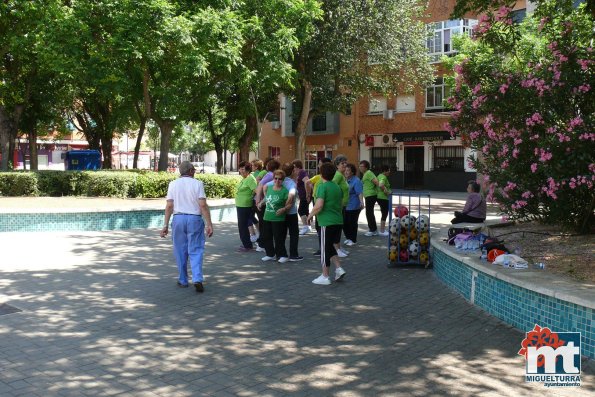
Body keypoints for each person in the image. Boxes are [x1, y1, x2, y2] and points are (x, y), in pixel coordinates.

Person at [160, 161, 213, 293]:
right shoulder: (198, 184)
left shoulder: (173, 184)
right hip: (194, 219)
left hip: (178, 219)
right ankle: (197, 278)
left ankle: (183, 280)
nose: (195, 172)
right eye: (193, 170)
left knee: (180, 250)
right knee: (196, 249)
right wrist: (209, 224)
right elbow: (202, 205)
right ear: (190, 171)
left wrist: (165, 225)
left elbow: (169, 206)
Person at [307, 162, 346, 285]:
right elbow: (340, 205)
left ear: (321, 173)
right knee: (329, 246)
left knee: (324, 250)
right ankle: (339, 268)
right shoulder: (337, 187)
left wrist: (310, 215)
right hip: (338, 221)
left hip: (326, 222)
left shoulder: (322, 187)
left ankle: (325, 276)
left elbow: (319, 206)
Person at [264, 162, 302, 261]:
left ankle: (280, 254)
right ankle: (292, 255)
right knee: (293, 234)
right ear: (293, 171)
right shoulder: (290, 182)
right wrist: (287, 205)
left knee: (281, 235)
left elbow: (263, 186)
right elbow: (292, 193)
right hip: (290, 212)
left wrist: (262, 198)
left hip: (280, 213)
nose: (277, 180)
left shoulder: (276, 180)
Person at [258, 169, 291, 262]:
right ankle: (270, 254)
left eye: (279, 179)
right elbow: (267, 198)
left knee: (278, 238)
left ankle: (283, 255)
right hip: (267, 217)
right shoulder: (270, 188)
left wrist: (284, 209)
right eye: (275, 178)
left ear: (283, 180)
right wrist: (261, 203)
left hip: (278, 218)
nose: (277, 181)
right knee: (266, 236)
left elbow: (290, 204)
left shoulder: (285, 191)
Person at [235, 161, 258, 252]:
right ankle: (246, 244)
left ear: (248, 170)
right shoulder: (244, 178)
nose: (241, 170)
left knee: (243, 225)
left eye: (243, 169)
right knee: (242, 225)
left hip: (245, 205)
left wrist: (257, 200)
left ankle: (247, 245)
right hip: (240, 205)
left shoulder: (250, 179)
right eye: (240, 168)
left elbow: (256, 191)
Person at [332, 155, 350, 257]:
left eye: (345, 163)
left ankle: (338, 247)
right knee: (338, 227)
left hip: (343, 205)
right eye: (342, 163)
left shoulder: (342, 175)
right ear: (337, 165)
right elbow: (333, 187)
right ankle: (336, 249)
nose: (344, 165)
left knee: (340, 226)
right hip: (339, 206)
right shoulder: (338, 175)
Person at [359, 160, 381, 236]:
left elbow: (376, 182)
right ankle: (373, 229)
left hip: (370, 195)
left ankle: (373, 230)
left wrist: (383, 189)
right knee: (369, 212)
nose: (360, 168)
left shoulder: (368, 173)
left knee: (369, 212)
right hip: (368, 195)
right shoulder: (365, 174)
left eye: (362, 166)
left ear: (366, 167)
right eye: (360, 166)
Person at [343, 163, 364, 246]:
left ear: (352, 172)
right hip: (346, 205)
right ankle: (348, 237)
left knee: (352, 223)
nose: (346, 172)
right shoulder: (344, 180)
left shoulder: (356, 181)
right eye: (345, 170)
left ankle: (353, 239)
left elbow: (359, 193)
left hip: (354, 205)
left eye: (348, 170)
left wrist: (361, 202)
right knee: (345, 223)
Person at [292, 159, 312, 235]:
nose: (293, 169)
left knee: (301, 211)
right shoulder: (300, 173)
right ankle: (308, 226)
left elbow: (307, 182)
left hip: (305, 195)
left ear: (297, 166)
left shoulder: (301, 172)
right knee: (305, 210)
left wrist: (308, 194)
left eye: (293, 167)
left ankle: (305, 227)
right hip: (303, 195)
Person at [376, 165, 392, 236]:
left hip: (379, 197)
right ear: (385, 171)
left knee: (384, 213)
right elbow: (381, 185)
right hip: (383, 198)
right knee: (385, 213)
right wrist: (387, 192)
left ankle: (382, 230)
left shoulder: (379, 176)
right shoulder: (383, 177)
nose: (389, 172)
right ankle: (382, 231)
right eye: (388, 170)